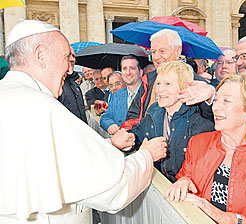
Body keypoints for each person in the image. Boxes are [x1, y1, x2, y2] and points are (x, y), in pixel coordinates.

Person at [0, 20, 167, 224]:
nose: (71, 71)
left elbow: (58, 157)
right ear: (40, 54)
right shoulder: (43, 107)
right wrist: (147, 155)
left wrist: (110, 145)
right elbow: (114, 189)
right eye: (64, 58)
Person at [166, 73, 246, 223]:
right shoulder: (197, 143)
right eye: (217, 99)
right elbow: (184, 176)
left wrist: (229, 219)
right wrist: (184, 182)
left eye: (227, 101)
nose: (216, 107)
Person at [128, 61, 214, 182]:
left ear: (185, 88)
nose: (160, 90)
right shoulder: (154, 112)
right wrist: (128, 138)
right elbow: (139, 133)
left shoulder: (200, 125)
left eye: (168, 84)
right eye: (158, 83)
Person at [125, 29, 215, 127]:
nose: (156, 57)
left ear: (177, 51)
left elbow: (209, 120)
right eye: (153, 52)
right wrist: (130, 135)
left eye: (162, 51)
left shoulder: (195, 83)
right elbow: (133, 114)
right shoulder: (149, 79)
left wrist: (210, 97)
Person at [100, 55, 143, 135]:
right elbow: (105, 117)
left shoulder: (148, 92)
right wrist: (110, 125)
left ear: (140, 72)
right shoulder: (117, 95)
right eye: (125, 68)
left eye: (132, 68)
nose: (128, 72)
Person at [58, 46, 88, 123]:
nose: (72, 59)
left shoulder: (74, 85)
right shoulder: (56, 84)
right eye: (68, 56)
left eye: (73, 56)